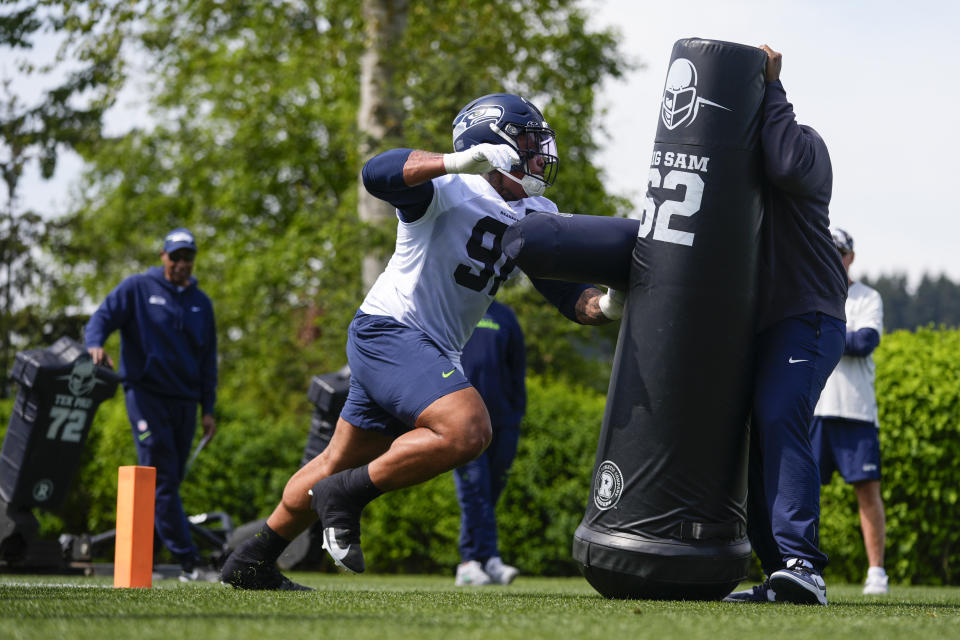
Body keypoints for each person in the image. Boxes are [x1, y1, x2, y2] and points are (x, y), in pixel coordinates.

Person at [221, 93, 622, 590]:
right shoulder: (447, 186)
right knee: (468, 429)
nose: (540, 152)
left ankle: (251, 562)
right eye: (528, 140)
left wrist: (609, 304)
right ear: (493, 145)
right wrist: (456, 161)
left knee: (335, 460)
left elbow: (568, 296)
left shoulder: (537, 209)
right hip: (390, 331)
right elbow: (377, 172)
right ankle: (344, 497)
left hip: (428, 349)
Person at [724, 46, 848, 606]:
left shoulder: (806, 145)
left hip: (810, 314)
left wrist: (773, 87)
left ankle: (804, 564)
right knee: (759, 436)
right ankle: (781, 573)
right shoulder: (738, 167)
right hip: (767, 326)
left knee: (779, 420)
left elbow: (785, 165)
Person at [85, 227, 219, 582]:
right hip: (145, 395)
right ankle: (189, 562)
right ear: (163, 257)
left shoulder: (201, 303)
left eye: (187, 257)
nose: (181, 263)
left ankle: (150, 558)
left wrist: (208, 408)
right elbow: (101, 317)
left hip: (186, 402)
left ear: (193, 260)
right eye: (174, 257)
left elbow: (209, 360)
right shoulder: (137, 288)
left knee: (170, 479)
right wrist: (95, 343)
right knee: (160, 475)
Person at [811, 228, 888, 595]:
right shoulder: (808, 292)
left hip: (856, 411)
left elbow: (864, 342)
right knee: (805, 492)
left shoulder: (867, 297)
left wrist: (820, 331)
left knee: (867, 493)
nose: (834, 257)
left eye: (839, 251)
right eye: (828, 251)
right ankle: (802, 565)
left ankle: (876, 573)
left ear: (850, 257)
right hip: (815, 409)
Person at [453, 300, 525, 586]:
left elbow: (517, 369)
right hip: (463, 420)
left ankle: (481, 561)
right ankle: (474, 561)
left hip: (504, 421)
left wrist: (516, 413)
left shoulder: (505, 315)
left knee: (491, 489)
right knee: (475, 488)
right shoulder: (455, 308)